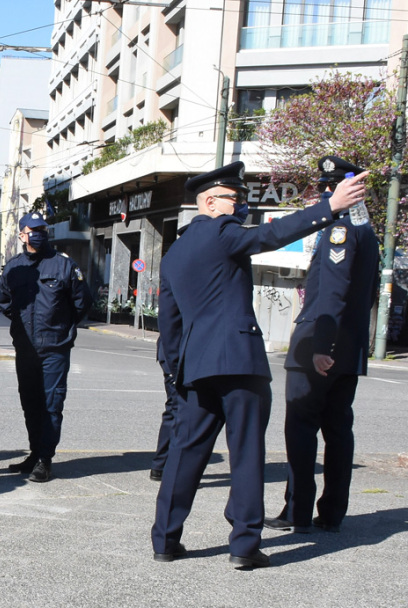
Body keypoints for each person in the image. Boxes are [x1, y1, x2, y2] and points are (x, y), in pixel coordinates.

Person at [152, 161, 368, 568]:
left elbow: (170, 322)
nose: (242, 206)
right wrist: (330, 206)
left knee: (185, 453)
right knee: (247, 453)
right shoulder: (221, 231)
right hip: (240, 363)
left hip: (196, 368)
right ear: (210, 201)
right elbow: (272, 235)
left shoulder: (175, 252)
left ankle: (165, 538)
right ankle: (244, 546)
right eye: (235, 198)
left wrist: (177, 370)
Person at [265, 156, 380, 535]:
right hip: (350, 349)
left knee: (300, 427)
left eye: (324, 189)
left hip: (321, 343)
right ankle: (332, 513)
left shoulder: (339, 230)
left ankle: (296, 512)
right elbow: (369, 294)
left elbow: (331, 292)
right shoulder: (368, 232)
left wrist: (321, 345)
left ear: (335, 190)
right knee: (338, 431)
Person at [0, 212, 92, 482]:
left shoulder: (63, 265)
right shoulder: (14, 267)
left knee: (52, 404)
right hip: (25, 348)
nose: (39, 233)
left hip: (54, 347)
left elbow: (81, 302)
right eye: (33, 229)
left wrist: (62, 327)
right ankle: (34, 452)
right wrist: (21, 326)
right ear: (22, 235)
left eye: (43, 229)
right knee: (30, 402)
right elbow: (5, 301)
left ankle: (45, 459)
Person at [149, 337, 180, 482]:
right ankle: (165, 467)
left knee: (175, 410)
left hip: (175, 354)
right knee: (177, 411)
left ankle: (161, 466)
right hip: (176, 355)